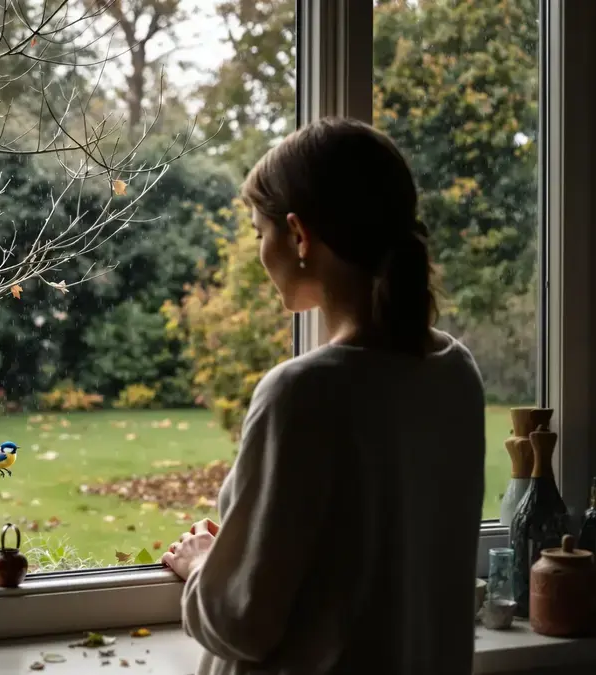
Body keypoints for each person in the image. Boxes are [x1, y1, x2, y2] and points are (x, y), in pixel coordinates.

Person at [162, 117, 486, 675]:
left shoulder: (302, 394)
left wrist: (202, 567)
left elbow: (243, 623)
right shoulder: (457, 375)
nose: (262, 250)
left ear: (299, 236)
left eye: (260, 232)